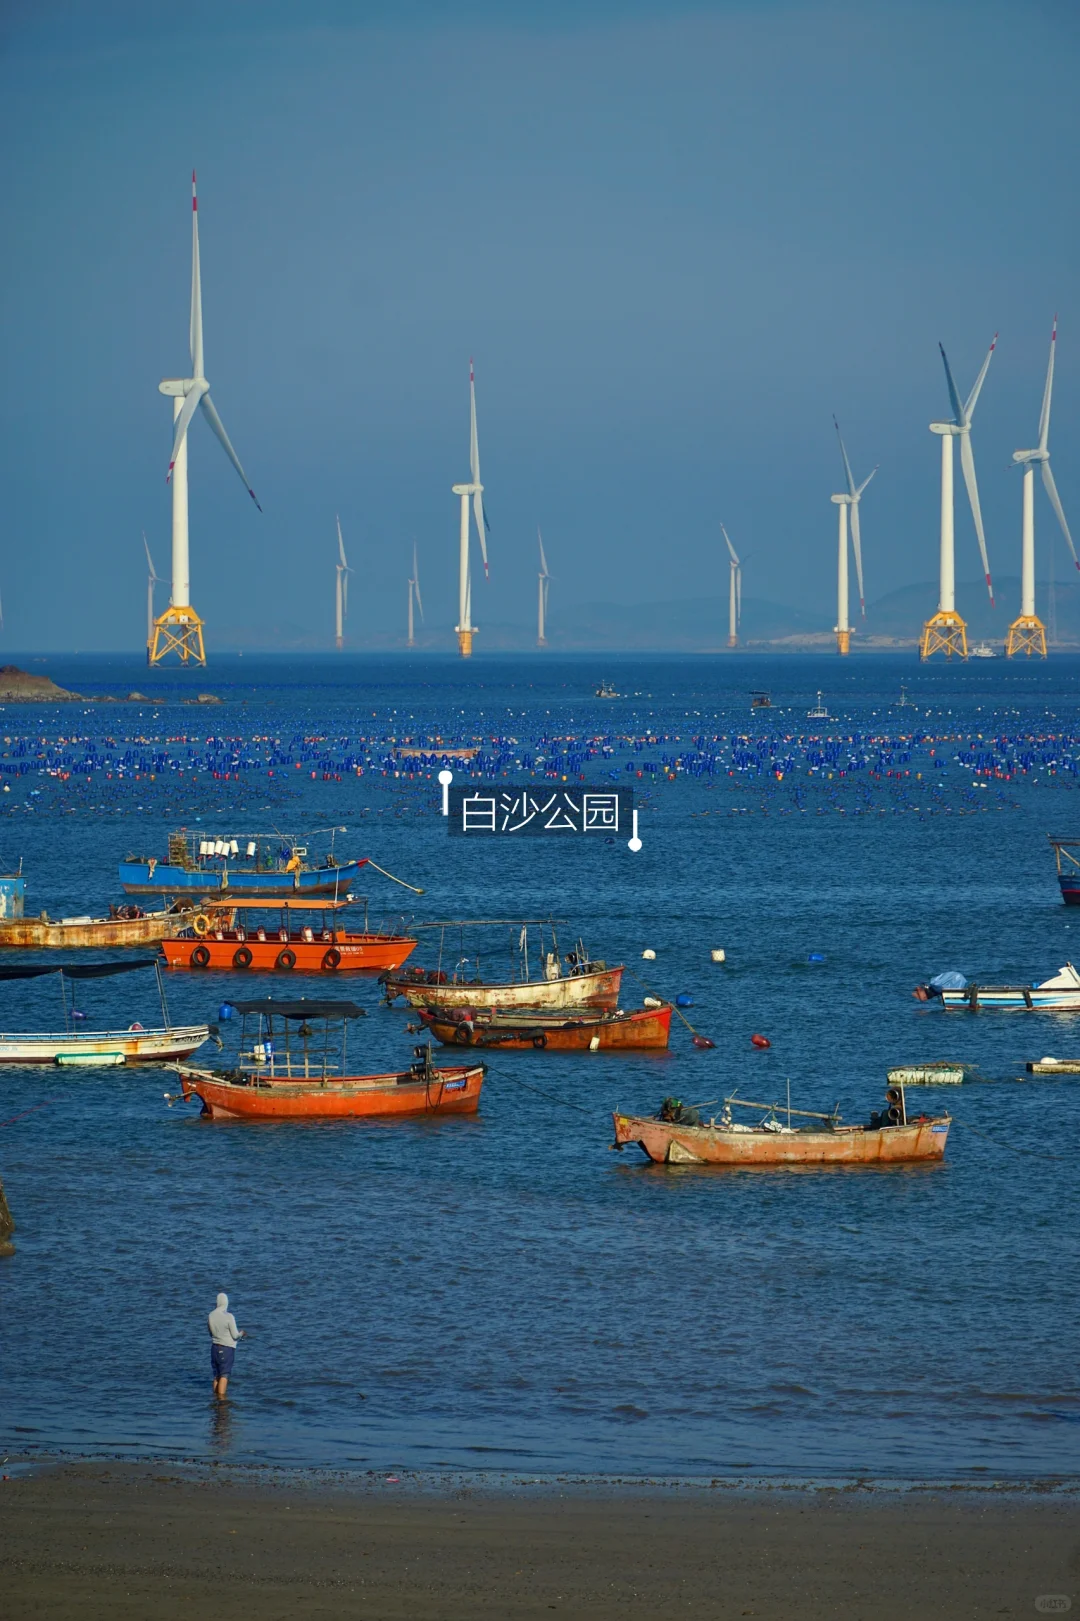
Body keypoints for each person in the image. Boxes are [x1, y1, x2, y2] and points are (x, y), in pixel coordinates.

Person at [207, 1292, 245, 1400]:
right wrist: (242, 1333)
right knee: (224, 1375)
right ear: (226, 1302)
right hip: (226, 1349)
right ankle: (222, 1402)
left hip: (214, 1348)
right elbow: (235, 1335)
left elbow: (210, 1333)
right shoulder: (229, 1316)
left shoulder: (210, 1315)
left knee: (217, 1375)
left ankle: (215, 1399)